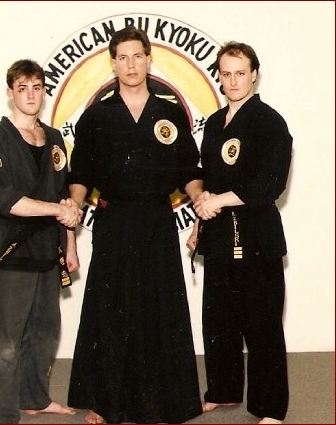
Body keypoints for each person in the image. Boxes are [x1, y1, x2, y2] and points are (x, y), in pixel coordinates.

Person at [67, 26, 204, 424]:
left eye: (137, 56)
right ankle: (104, 402)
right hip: (115, 219)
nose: (130, 65)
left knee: (160, 308)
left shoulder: (169, 112)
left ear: (148, 59)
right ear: (113, 63)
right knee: (110, 310)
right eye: (123, 58)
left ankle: (163, 403)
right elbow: (81, 173)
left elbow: (189, 169)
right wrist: (73, 204)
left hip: (157, 220)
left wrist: (198, 198)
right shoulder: (97, 115)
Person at [187, 41, 292, 424]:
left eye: (240, 73)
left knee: (262, 324)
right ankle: (223, 390)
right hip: (218, 235)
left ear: (254, 75)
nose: (233, 81)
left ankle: (270, 408)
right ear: (219, 76)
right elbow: (209, 180)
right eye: (226, 73)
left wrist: (219, 200)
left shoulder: (269, 122)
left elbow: (269, 184)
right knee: (219, 320)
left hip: (257, 236)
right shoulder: (215, 123)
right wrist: (199, 223)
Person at [0, 59, 83, 424]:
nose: (31, 95)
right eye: (22, 88)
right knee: (7, 341)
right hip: (14, 251)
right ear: (10, 93)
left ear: (44, 91)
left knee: (45, 332)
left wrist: (70, 244)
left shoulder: (54, 139)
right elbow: (5, 200)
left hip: (49, 251)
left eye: (37, 88)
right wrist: (57, 209)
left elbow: (63, 195)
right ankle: (3, 416)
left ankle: (34, 398)